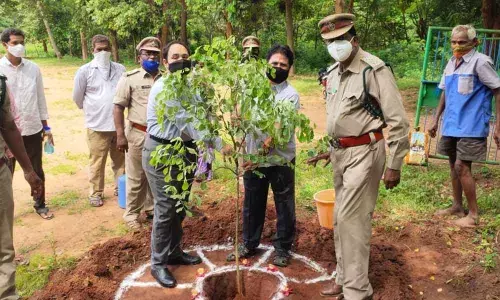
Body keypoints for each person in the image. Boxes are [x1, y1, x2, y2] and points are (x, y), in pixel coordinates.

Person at [307, 14, 410, 300]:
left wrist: (395, 164)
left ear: (355, 39)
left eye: (340, 40)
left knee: (353, 220)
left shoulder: (373, 70)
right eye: (329, 42)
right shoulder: (333, 73)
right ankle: (344, 277)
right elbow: (343, 118)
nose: (335, 46)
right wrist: (331, 149)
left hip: (366, 153)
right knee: (341, 219)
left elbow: (398, 121)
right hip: (342, 154)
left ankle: (357, 291)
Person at [225, 44, 299, 267]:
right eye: (274, 63)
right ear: (266, 64)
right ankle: (248, 243)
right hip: (252, 159)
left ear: (289, 69)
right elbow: (237, 115)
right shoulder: (252, 90)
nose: (278, 67)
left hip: (280, 159)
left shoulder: (290, 95)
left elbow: (276, 133)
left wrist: (256, 157)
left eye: (283, 65)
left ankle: (283, 248)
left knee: (284, 203)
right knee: (252, 201)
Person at [142, 41, 202, 288]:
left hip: (186, 150)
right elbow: (188, 122)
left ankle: (175, 251)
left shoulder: (191, 86)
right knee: (166, 207)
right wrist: (220, 146)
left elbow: (202, 115)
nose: (181, 60)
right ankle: (158, 264)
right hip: (161, 151)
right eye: (175, 56)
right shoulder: (164, 87)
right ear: (165, 62)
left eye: (185, 56)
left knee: (179, 205)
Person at [429, 24, 500, 227]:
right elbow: (444, 92)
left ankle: (473, 215)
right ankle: (457, 206)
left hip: (472, 124)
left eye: (462, 42)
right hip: (452, 124)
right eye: (454, 42)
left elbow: (497, 90)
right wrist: (435, 119)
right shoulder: (451, 63)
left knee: (462, 166)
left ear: (474, 42)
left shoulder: (481, 62)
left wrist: (498, 126)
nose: (457, 46)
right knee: (453, 165)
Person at [0, 28, 53, 220]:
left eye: (22, 42)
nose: (19, 46)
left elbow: (40, 99)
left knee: (35, 170)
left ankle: (40, 204)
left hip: (31, 128)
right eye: (15, 43)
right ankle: (4, 210)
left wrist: (46, 128)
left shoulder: (33, 69)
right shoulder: (0, 69)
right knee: (6, 173)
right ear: (5, 44)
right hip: (6, 132)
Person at [0, 74, 43, 300]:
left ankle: (7, 295)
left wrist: (28, 170)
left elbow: (8, 126)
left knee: (2, 245)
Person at [113, 37, 161, 230]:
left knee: (156, 175)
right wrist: (120, 135)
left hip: (160, 135)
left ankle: (150, 209)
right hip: (138, 134)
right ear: (138, 56)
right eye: (147, 53)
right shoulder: (129, 78)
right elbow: (118, 107)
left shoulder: (166, 78)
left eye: (155, 54)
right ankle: (132, 214)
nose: (151, 56)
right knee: (136, 176)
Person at [72, 34, 126, 207]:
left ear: (111, 50)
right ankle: (96, 192)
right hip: (96, 125)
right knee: (97, 161)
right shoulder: (84, 71)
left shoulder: (120, 69)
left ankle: (120, 187)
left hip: (117, 126)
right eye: (99, 49)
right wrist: (94, 109)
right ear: (93, 50)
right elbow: (77, 98)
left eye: (106, 49)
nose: (103, 52)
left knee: (120, 161)